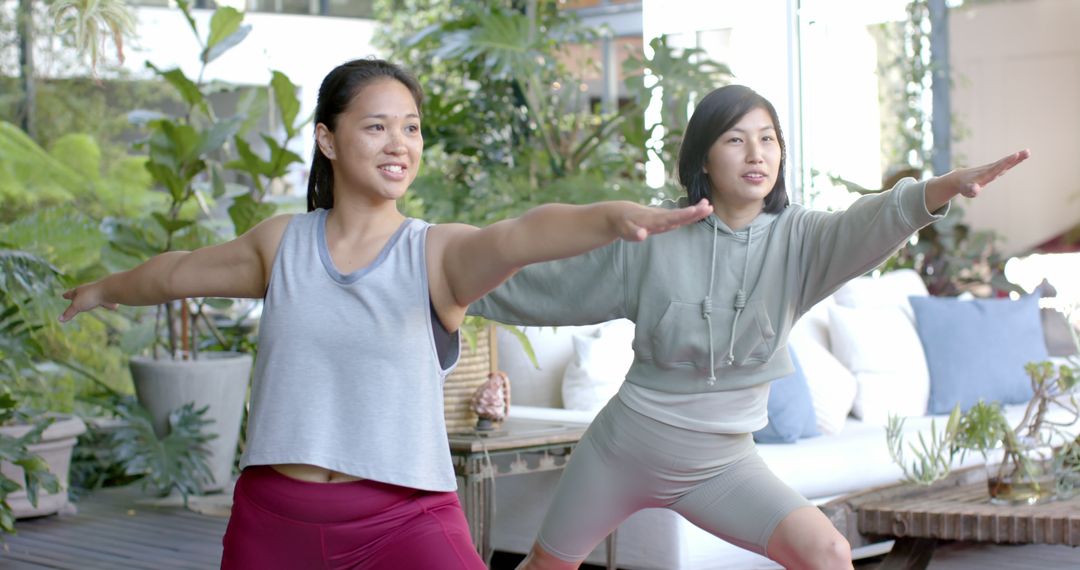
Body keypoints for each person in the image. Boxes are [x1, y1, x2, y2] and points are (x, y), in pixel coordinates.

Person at [57, 58, 713, 570]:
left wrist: (611, 217)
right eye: (377, 126)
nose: (400, 143)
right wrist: (102, 289)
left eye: (411, 127)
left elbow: (521, 235)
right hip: (274, 521)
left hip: (402, 522)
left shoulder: (435, 255)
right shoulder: (281, 244)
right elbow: (176, 273)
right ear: (328, 139)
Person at [469, 84, 1030, 570]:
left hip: (723, 464)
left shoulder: (803, 240)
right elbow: (551, 285)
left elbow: (874, 219)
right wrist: (449, 283)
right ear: (704, 158)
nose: (755, 153)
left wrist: (942, 187)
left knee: (827, 554)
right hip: (626, 447)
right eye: (735, 139)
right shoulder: (655, 234)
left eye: (767, 138)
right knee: (548, 563)